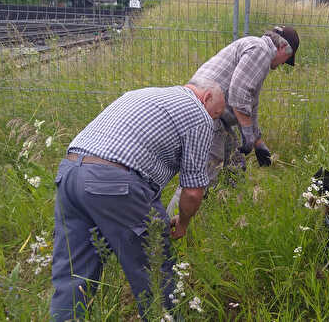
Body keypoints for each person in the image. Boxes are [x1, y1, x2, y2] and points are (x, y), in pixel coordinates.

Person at [49, 81, 225, 321]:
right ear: (205, 98)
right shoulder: (198, 113)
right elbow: (193, 191)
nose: (213, 122)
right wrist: (183, 223)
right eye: (215, 116)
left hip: (70, 172)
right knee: (154, 270)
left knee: (73, 275)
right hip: (114, 182)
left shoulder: (145, 94)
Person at [167, 25, 300, 217]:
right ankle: (170, 227)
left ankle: (228, 214)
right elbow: (239, 94)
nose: (281, 66)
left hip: (214, 115)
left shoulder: (255, 48)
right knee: (200, 178)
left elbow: (249, 105)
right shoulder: (261, 51)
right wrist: (247, 133)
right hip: (206, 114)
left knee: (236, 165)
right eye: (287, 59)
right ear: (284, 48)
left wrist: (258, 142)